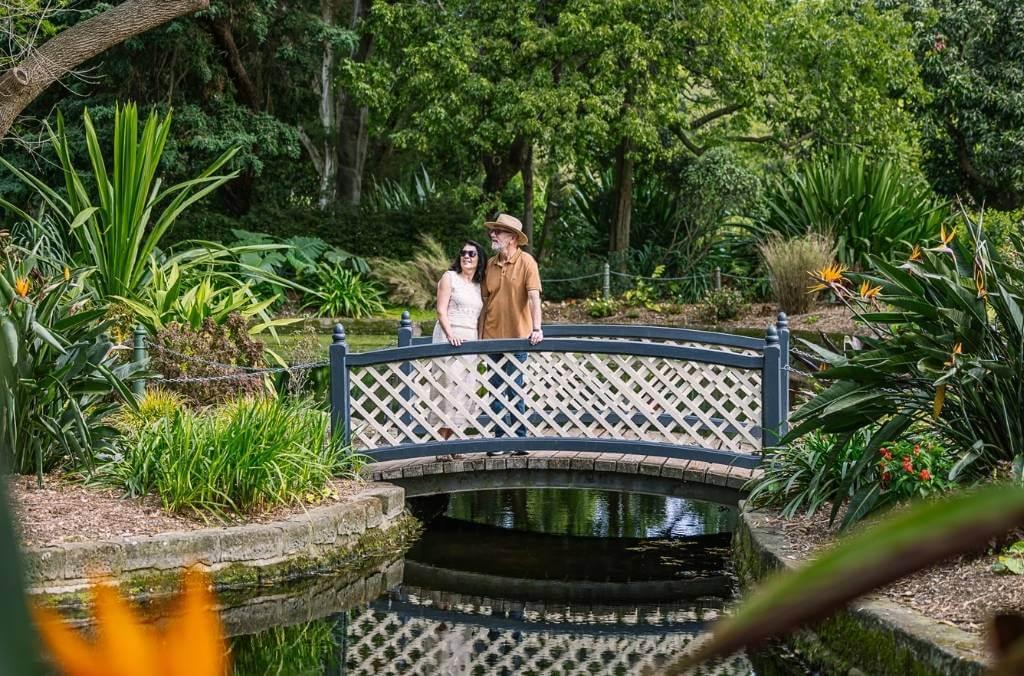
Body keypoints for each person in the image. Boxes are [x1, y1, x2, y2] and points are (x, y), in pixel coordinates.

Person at [478, 213, 543, 453]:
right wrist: (477, 334)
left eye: (499, 231)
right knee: (495, 389)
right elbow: (484, 301)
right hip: (492, 336)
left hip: (518, 337)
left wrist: (537, 329)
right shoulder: (490, 265)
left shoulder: (527, 262)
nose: (493, 235)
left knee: (514, 387)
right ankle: (499, 440)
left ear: (513, 237)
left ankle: (519, 439)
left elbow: (535, 299)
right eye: (493, 231)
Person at [430, 240, 487, 459]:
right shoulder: (449, 277)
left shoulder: (478, 285)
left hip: (470, 340)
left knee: (464, 391)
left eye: (472, 254)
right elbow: (441, 310)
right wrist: (450, 334)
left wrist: (480, 342)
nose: (466, 257)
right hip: (449, 337)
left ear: (479, 258)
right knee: (446, 388)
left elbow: (480, 317)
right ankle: (440, 446)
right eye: (463, 253)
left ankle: (454, 443)